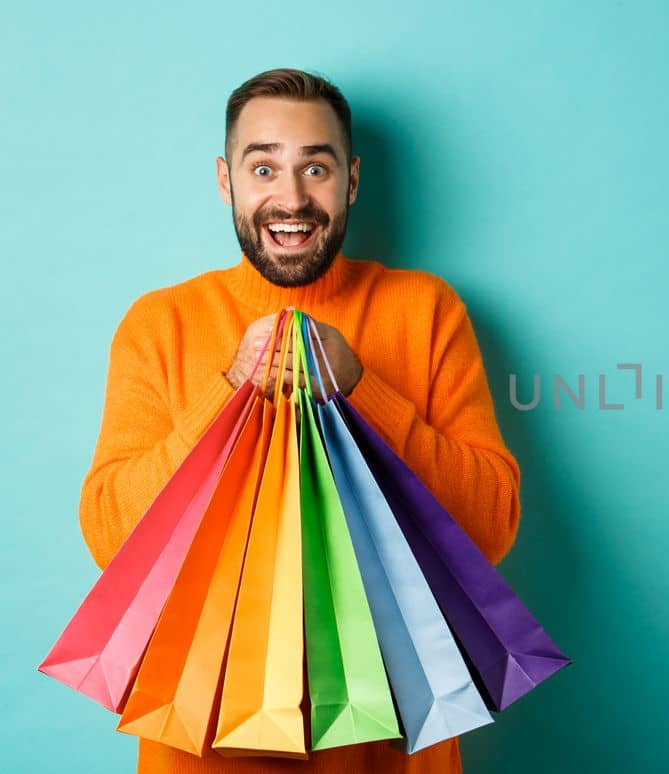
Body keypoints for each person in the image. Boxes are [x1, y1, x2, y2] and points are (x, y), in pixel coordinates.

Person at [77, 67, 521, 773]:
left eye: (316, 167)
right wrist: (227, 390)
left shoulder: (428, 312)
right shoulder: (158, 325)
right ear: (227, 180)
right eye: (264, 167)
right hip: (204, 742)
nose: (291, 198)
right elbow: (111, 538)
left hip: (392, 745)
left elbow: (491, 526)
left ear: (351, 180)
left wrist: (363, 387)